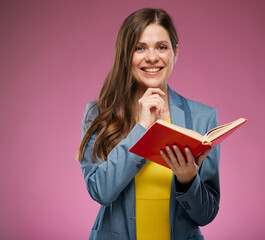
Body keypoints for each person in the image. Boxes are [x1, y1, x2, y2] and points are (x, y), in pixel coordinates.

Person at [77, 8, 220, 240]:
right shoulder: (98, 114)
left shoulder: (203, 118)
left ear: (175, 52)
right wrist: (141, 128)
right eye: (139, 47)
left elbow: (207, 214)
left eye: (161, 47)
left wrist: (188, 180)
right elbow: (100, 191)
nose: (152, 57)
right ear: (126, 54)